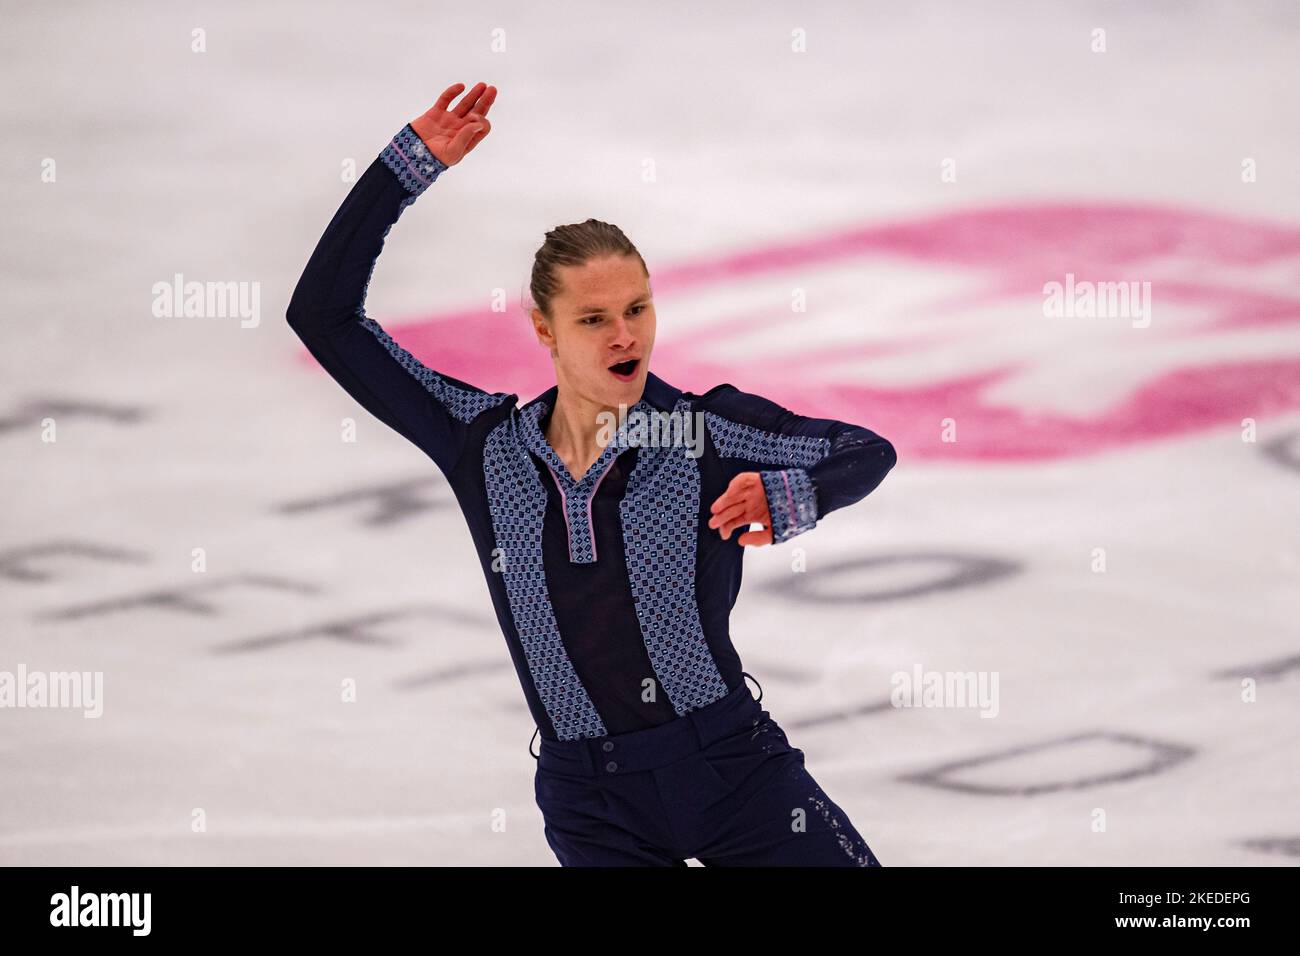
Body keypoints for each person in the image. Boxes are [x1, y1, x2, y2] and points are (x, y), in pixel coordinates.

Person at [286, 82, 897, 866]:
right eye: (594, 318)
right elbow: (325, 318)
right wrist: (402, 171)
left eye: (637, 309)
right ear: (543, 329)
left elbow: (862, 451)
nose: (624, 336)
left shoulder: (703, 429)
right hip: (593, 804)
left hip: (734, 773)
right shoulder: (484, 445)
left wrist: (795, 495)